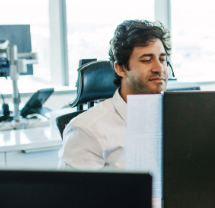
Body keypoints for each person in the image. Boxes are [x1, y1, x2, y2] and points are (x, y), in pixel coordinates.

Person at [58, 20, 170, 169]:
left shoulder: (176, 118)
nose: (159, 68)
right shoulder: (87, 130)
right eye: (146, 60)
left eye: (162, 59)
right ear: (121, 69)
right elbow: (74, 192)